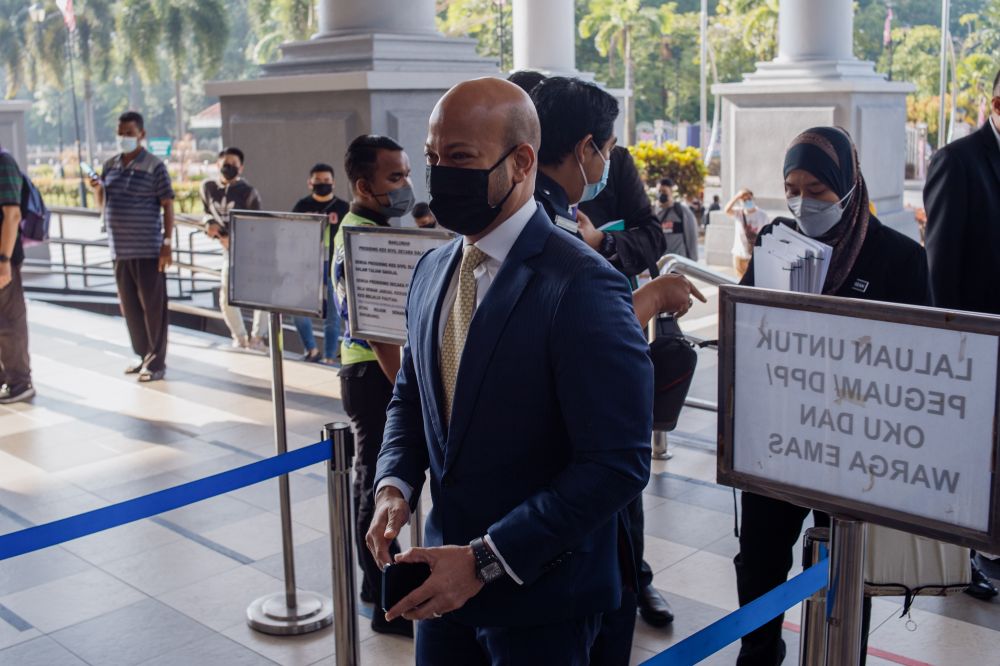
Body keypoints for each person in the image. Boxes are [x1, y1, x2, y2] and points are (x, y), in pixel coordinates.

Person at [367, 77, 653, 665]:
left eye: (461, 158)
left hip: (543, 601)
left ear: (521, 162)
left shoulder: (581, 283)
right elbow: (411, 397)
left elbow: (617, 463)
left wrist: (484, 560)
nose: (440, 174)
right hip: (442, 591)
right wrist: (394, 482)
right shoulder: (431, 271)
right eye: (433, 158)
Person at [735, 126, 929, 666]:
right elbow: (749, 323)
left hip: (851, 448)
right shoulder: (776, 237)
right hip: (776, 436)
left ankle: (841, 655)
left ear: (848, 186)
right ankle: (758, 650)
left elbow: (917, 366)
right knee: (760, 557)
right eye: (792, 187)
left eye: (817, 189)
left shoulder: (898, 259)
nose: (802, 201)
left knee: (843, 565)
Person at [923, 67, 1000, 602]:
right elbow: (939, 276)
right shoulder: (959, 161)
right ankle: (971, 554)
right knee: (976, 461)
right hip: (979, 349)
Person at [332, 135, 414, 636]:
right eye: (395, 178)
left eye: (406, 174)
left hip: (366, 372)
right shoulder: (364, 236)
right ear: (364, 185)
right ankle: (381, 588)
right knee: (376, 483)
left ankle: (374, 582)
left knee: (373, 476)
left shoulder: (363, 226)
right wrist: (409, 388)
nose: (406, 186)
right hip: (372, 375)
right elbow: (382, 333)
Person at [89, 111, 174, 382]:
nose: (124, 137)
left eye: (129, 132)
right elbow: (104, 204)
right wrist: (96, 188)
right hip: (120, 250)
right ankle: (141, 354)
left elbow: (168, 204)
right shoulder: (110, 165)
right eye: (121, 132)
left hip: (148, 249)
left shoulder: (154, 166)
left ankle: (156, 362)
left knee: (153, 307)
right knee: (130, 306)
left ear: (141, 135)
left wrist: (167, 244)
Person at [200, 147, 267, 351]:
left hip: (252, 249)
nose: (229, 167)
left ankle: (258, 337)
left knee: (261, 293)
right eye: (225, 163)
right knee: (226, 293)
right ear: (218, 164)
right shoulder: (208, 187)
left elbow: (256, 223)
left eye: (234, 164)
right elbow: (206, 213)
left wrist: (236, 239)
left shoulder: (248, 192)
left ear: (241, 167)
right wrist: (208, 224)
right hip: (227, 250)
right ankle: (240, 336)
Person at [293, 163, 348, 364]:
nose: (322, 184)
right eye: (318, 181)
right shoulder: (301, 206)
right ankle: (311, 350)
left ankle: (329, 357)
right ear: (310, 183)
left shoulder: (343, 208)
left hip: (333, 267)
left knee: (332, 317)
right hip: (306, 267)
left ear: (333, 182)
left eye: (326, 181)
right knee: (297, 311)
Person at [0, 146, 33, 404]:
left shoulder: (4, 162)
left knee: (9, 323)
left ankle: (20, 382)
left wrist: (4, 261)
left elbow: (12, 215)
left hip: (4, 258)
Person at [725, 188, 768, 278]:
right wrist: (737, 196)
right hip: (739, 254)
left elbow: (766, 235)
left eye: (749, 198)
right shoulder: (738, 212)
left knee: (754, 281)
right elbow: (727, 210)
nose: (747, 201)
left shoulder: (762, 215)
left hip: (755, 256)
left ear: (753, 198)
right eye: (744, 200)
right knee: (740, 281)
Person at [655, 177, 699, 262]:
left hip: (678, 262)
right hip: (661, 262)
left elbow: (692, 235)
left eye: (664, 191)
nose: (661, 194)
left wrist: (693, 260)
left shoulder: (682, 211)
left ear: (671, 191)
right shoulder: (653, 212)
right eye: (659, 191)